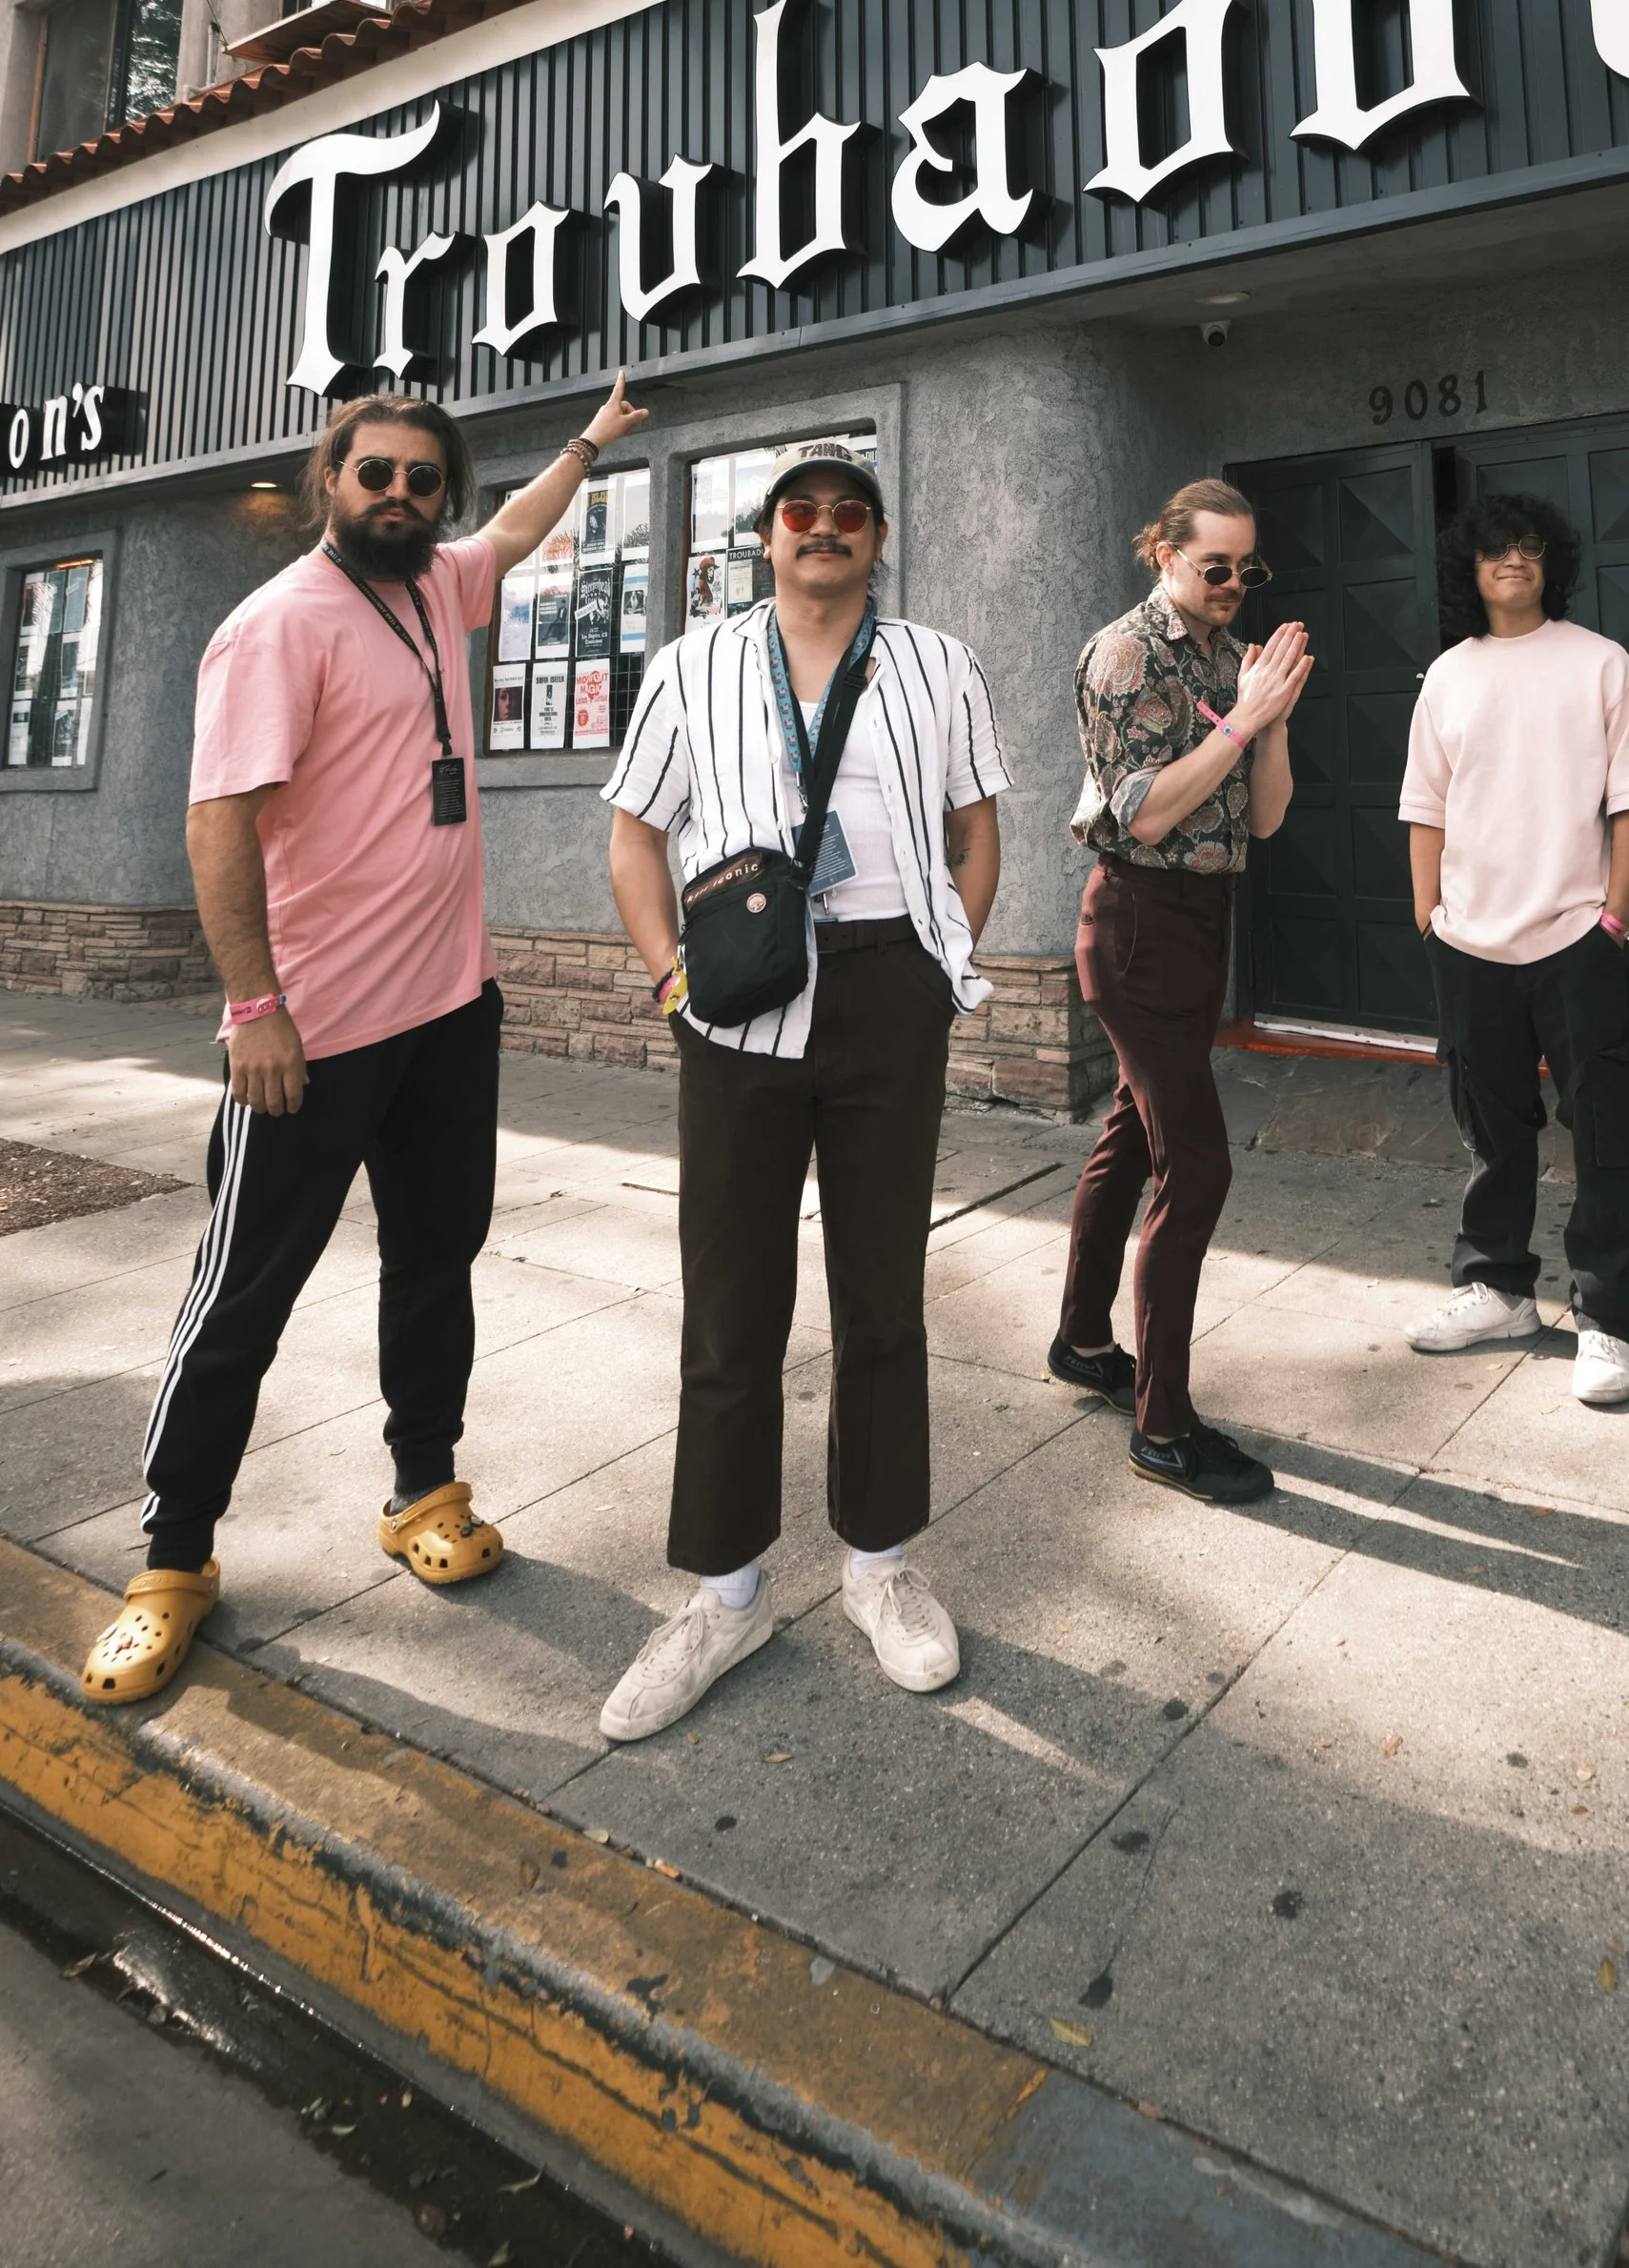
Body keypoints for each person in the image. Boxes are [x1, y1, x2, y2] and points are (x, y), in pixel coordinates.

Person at [82, 375, 648, 1705]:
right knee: (241, 1297)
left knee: (433, 1263)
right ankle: (171, 1559)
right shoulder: (277, 626)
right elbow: (219, 821)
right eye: (373, 472)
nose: (399, 493)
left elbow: (515, 532)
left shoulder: (438, 584)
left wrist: (588, 441)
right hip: (313, 1031)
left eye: (420, 477)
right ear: (330, 479)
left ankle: (421, 1486)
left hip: (449, 1012)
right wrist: (255, 1008)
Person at [597, 449, 1008, 1738]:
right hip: (738, 992)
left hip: (892, 987)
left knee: (882, 1295)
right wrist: (671, 981)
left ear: (877, 537)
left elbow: (978, 821)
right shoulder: (692, 664)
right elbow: (634, 834)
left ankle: (881, 1568)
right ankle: (724, 1594)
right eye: (801, 514)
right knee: (730, 1302)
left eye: (848, 515)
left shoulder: (937, 659)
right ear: (764, 537)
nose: (824, 531)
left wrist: (947, 967)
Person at [1047, 481, 1312, 1506]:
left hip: (1203, 925)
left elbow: (1270, 818)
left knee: (1130, 1131)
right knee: (1194, 1171)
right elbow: (1147, 815)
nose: (1235, 586)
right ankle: (1162, 1427)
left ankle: (1079, 1342)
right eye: (1216, 567)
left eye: (1250, 570)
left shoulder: (1218, 657)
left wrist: (1271, 718)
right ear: (1162, 552)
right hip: (1139, 925)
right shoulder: (1127, 654)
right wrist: (1242, 721)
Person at [1401, 491, 1629, 1406]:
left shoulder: (1600, 664)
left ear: (1552, 563)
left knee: (1605, 1132)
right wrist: (1427, 917)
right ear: (1467, 571)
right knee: (1492, 1128)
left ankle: (1606, 1315)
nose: (1511, 561)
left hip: (1575, 937)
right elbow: (1424, 808)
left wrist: (1616, 919)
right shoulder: (1449, 675)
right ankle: (1497, 1289)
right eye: (1492, 551)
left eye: (1527, 548)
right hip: (1470, 941)